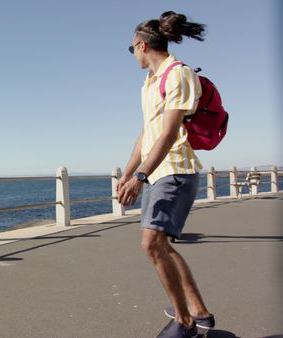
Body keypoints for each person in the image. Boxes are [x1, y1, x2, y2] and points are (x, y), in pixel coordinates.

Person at [117, 11, 215, 338]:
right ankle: (198, 311)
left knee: (152, 244)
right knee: (163, 246)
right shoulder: (149, 83)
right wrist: (128, 172)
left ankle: (184, 322)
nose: (133, 55)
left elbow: (169, 134)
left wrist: (140, 177)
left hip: (174, 171)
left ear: (142, 46)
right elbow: (146, 134)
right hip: (157, 174)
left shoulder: (178, 74)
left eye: (132, 49)